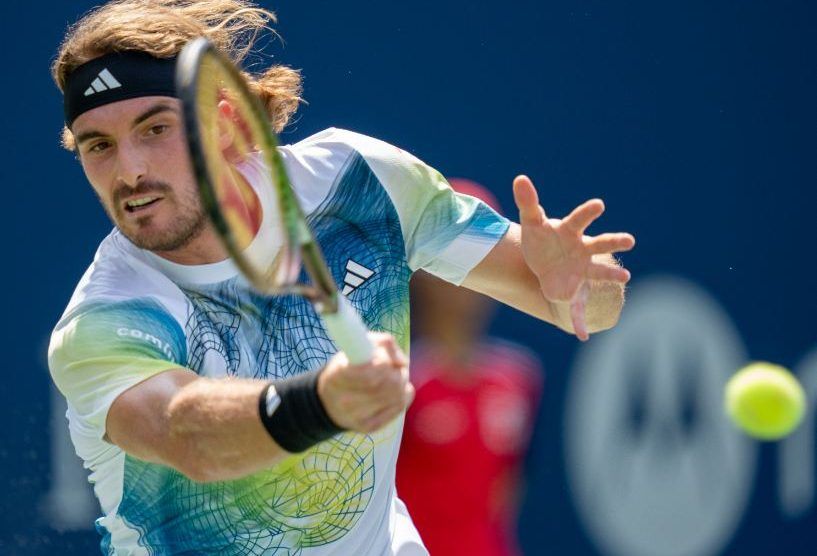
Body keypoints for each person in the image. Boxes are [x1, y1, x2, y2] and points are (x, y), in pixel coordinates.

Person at [47, 1, 635, 554]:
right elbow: (187, 435)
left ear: (222, 125)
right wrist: (321, 402)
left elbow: (589, 309)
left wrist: (580, 283)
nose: (130, 171)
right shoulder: (104, 320)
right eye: (99, 146)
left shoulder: (360, 182)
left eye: (155, 129)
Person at [397, 180, 543, 556]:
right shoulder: (396, 375)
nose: (471, 276)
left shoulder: (521, 377)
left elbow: (507, 492)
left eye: (486, 259)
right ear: (422, 271)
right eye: (455, 259)